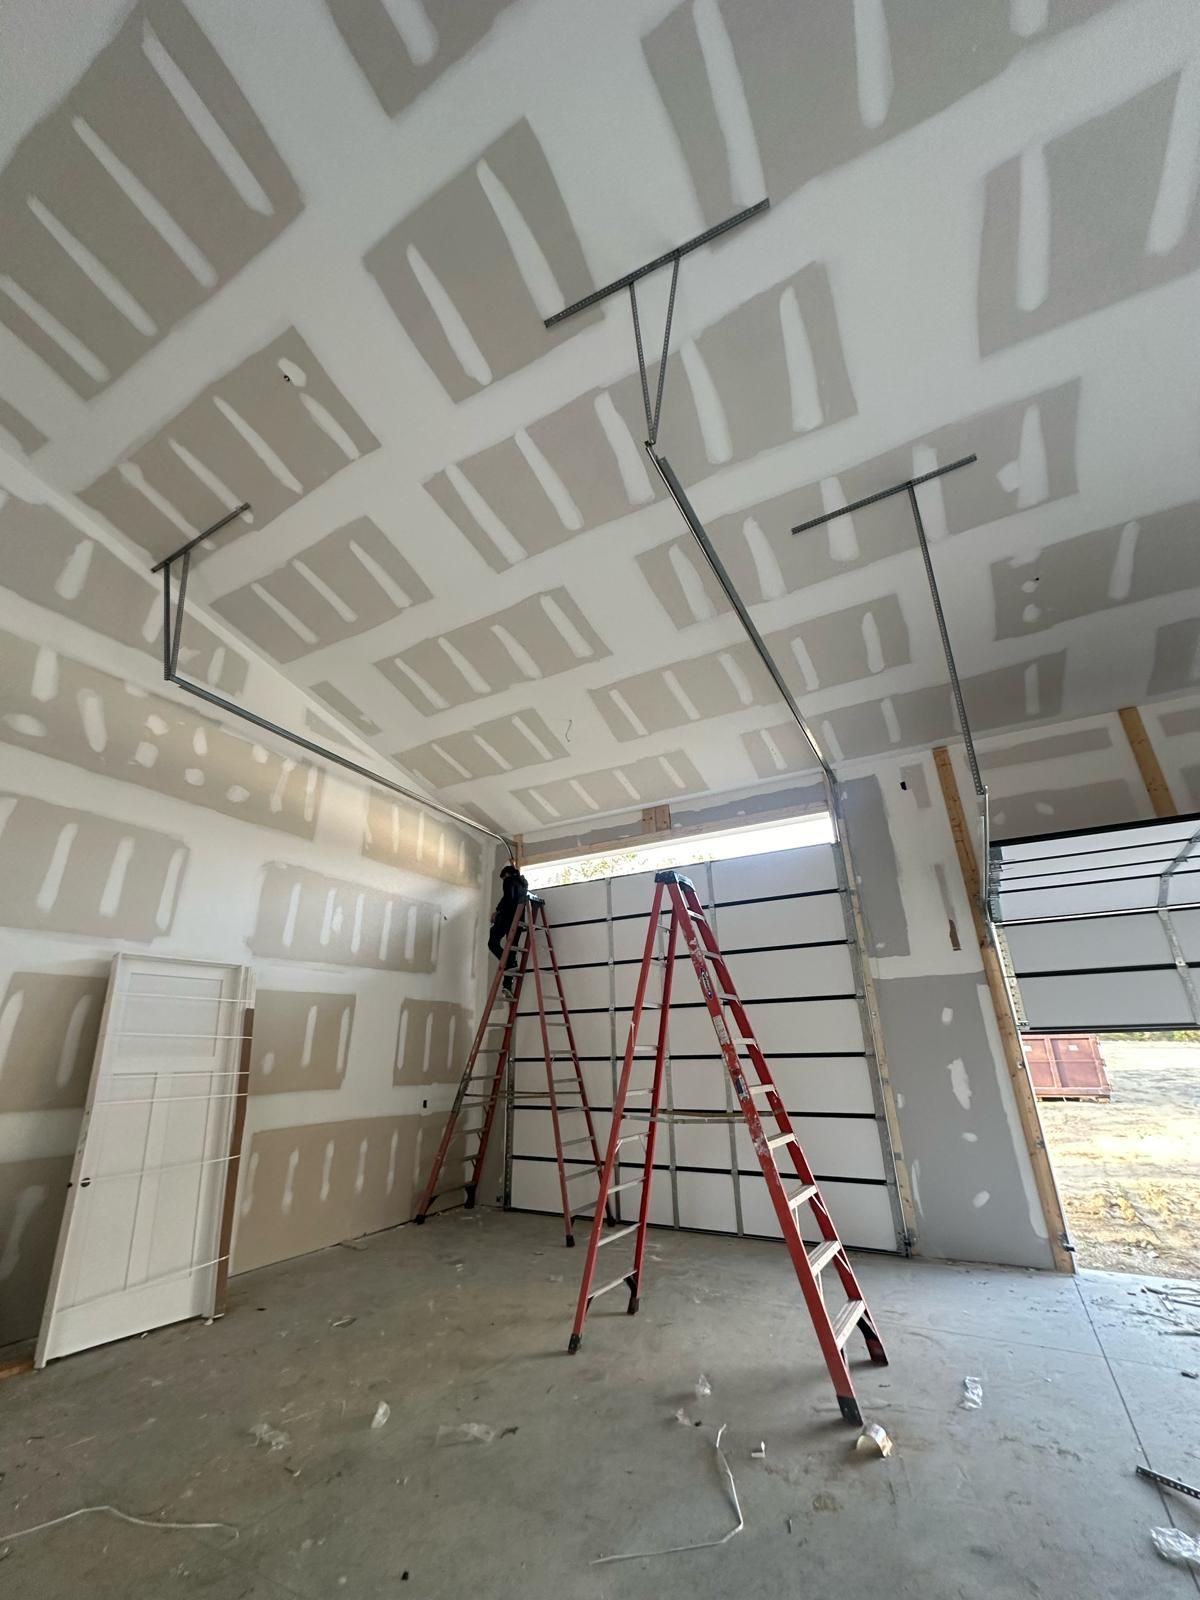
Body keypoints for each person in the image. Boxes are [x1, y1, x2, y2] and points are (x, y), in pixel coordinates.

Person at [488, 863, 528, 997]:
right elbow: (512, 899)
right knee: (511, 950)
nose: (504, 881)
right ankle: (507, 985)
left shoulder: (509, 881)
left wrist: (498, 913)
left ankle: (508, 963)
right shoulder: (523, 884)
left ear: (507, 874)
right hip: (519, 921)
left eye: (503, 878)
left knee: (492, 942)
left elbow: (508, 899)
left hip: (507, 919)